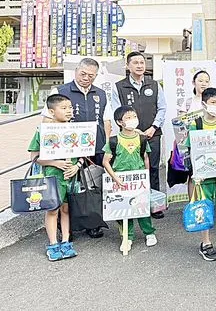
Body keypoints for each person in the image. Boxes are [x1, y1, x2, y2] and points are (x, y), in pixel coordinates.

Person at [46, 57, 112, 238]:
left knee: (93, 187)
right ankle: (68, 228)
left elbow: (106, 121)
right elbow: (47, 120)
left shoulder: (101, 93)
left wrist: (106, 144)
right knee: (69, 188)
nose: (86, 78)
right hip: (67, 148)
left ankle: (93, 223)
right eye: (83, 74)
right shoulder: (60, 91)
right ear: (76, 71)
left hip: (96, 147)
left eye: (91, 75)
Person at [113, 51, 167, 219]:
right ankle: (135, 203)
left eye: (142, 62)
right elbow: (116, 112)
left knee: (153, 168)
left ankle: (155, 206)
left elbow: (162, 108)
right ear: (128, 66)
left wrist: (153, 127)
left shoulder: (154, 85)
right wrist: (133, 131)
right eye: (135, 62)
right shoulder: (119, 86)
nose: (139, 65)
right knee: (133, 170)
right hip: (129, 137)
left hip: (153, 134)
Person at [28, 94, 81, 261]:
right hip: (52, 178)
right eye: (64, 108)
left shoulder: (77, 130)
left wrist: (76, 166)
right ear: (51, 111)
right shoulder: (42, 131)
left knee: (66, 209)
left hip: (70, 177)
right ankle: (53, 244)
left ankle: (66, 241)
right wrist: (55, 163)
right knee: (52, 210)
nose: (69, 111)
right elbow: (35, 157)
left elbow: (83, 155)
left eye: (70, 108)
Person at [185, 87, 216, 261]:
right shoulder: (196, 124)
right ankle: (205, 242)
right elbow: (191, 149)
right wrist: (195, 172)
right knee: (203, 208)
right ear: (204, 104)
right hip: (203, 176)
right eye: (213, 102)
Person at [102, 106, 157, 253]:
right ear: (120, 122)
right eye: (128, 118)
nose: (133, 120)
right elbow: (106, 161)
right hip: (120, 180)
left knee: (142, 207)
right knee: (123, 209)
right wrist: (115, 178)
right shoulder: (114, 141)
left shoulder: (142, 138)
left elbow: (145, 158)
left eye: (134, 116)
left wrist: (146, 177)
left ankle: (149, 233)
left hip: (138, 180)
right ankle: (127, 236)